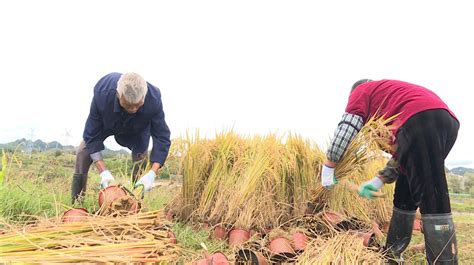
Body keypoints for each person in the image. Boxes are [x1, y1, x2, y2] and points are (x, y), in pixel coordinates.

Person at [320, 79, 459, 264]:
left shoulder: (362, 90)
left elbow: (347, 127)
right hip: (442, 123)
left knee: (432, 194)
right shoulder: (392, 103)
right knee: (405, 192)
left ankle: (444, 261)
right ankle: (392, 255)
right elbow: (403, 156)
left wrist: (329, 166)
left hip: (422, 119)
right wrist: (379, 180)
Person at [72, 72, 171, 204]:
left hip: (138, 130)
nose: (133, 109)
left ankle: (135, 203)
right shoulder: (103, 92)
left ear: (144, 96)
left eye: (138, 104)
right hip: (107, 123)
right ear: (118, 95)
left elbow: (162, 136)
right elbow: (91, 135)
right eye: (128, 105)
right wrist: (103, 172)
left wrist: (152, 173)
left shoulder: (153, 99)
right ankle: (77, 204)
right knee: (83, 151)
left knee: (141, 159)